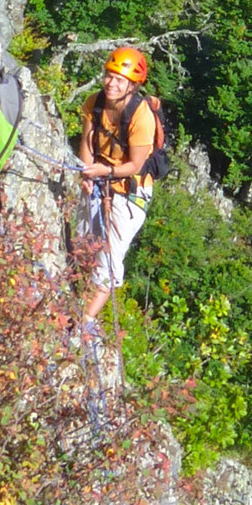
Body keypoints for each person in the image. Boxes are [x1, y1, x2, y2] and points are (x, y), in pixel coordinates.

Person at [75, 45, 156, 334]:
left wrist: (105, 172)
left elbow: (135, 165)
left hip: (130, 190)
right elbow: (87, 142)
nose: (111, 83)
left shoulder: (140, 116)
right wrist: (86, 172)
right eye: (109, 76)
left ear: (132, 86)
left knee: (108, 256)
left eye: (119, 80)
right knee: (82, 241)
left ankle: (84, 323)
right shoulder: (94, 102)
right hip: (98, 177)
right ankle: (76, 302)